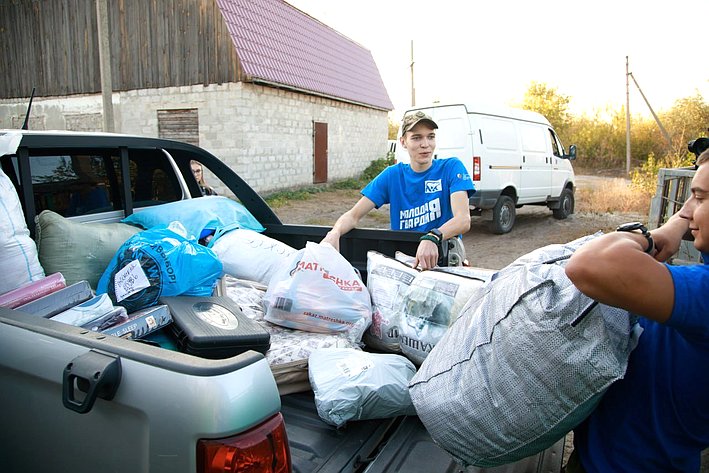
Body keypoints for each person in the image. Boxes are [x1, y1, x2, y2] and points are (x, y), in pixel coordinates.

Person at [563, 149, 709, 472]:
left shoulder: (704, 292)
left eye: (699, 198)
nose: (689, 210)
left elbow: (588, 265)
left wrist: (656, 235)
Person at [321, 111, 475, 269]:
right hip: (405, 263)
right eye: (416, 137)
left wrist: (432, 237)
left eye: (430, 136)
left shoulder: (450, 168)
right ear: (403, 142)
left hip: (443, 260)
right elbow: (353, 215)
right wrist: (335, 232)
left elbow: (463, 220)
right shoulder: (392, 175)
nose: (425, 144)